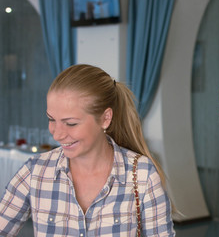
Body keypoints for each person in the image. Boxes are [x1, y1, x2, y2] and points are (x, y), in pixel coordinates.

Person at [0, 64, 175, 236]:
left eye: (71, 123)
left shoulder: (142, 175)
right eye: (51, 119)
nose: (57, 134)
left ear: (105, 118)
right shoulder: (34, 172)